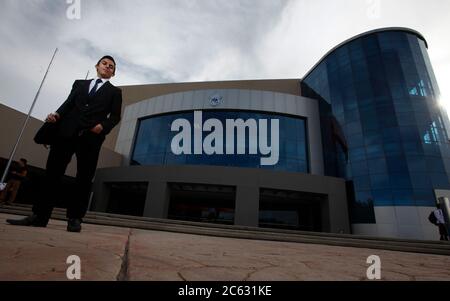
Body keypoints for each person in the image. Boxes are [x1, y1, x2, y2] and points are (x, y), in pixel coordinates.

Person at [6, 55, 122, 232]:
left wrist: (102, 126)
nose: (107, 67)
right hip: (66, 133)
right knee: (52, 174)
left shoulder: (115, 92)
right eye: (104, 64)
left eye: (111, 66)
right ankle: (39, 216)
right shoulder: (79, 84)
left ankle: (75, 218)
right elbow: (68, 104)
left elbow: (115, 117)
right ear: (97, 66)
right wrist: (57, 115)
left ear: (113, 73)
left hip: (91, 138)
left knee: (83, 178)